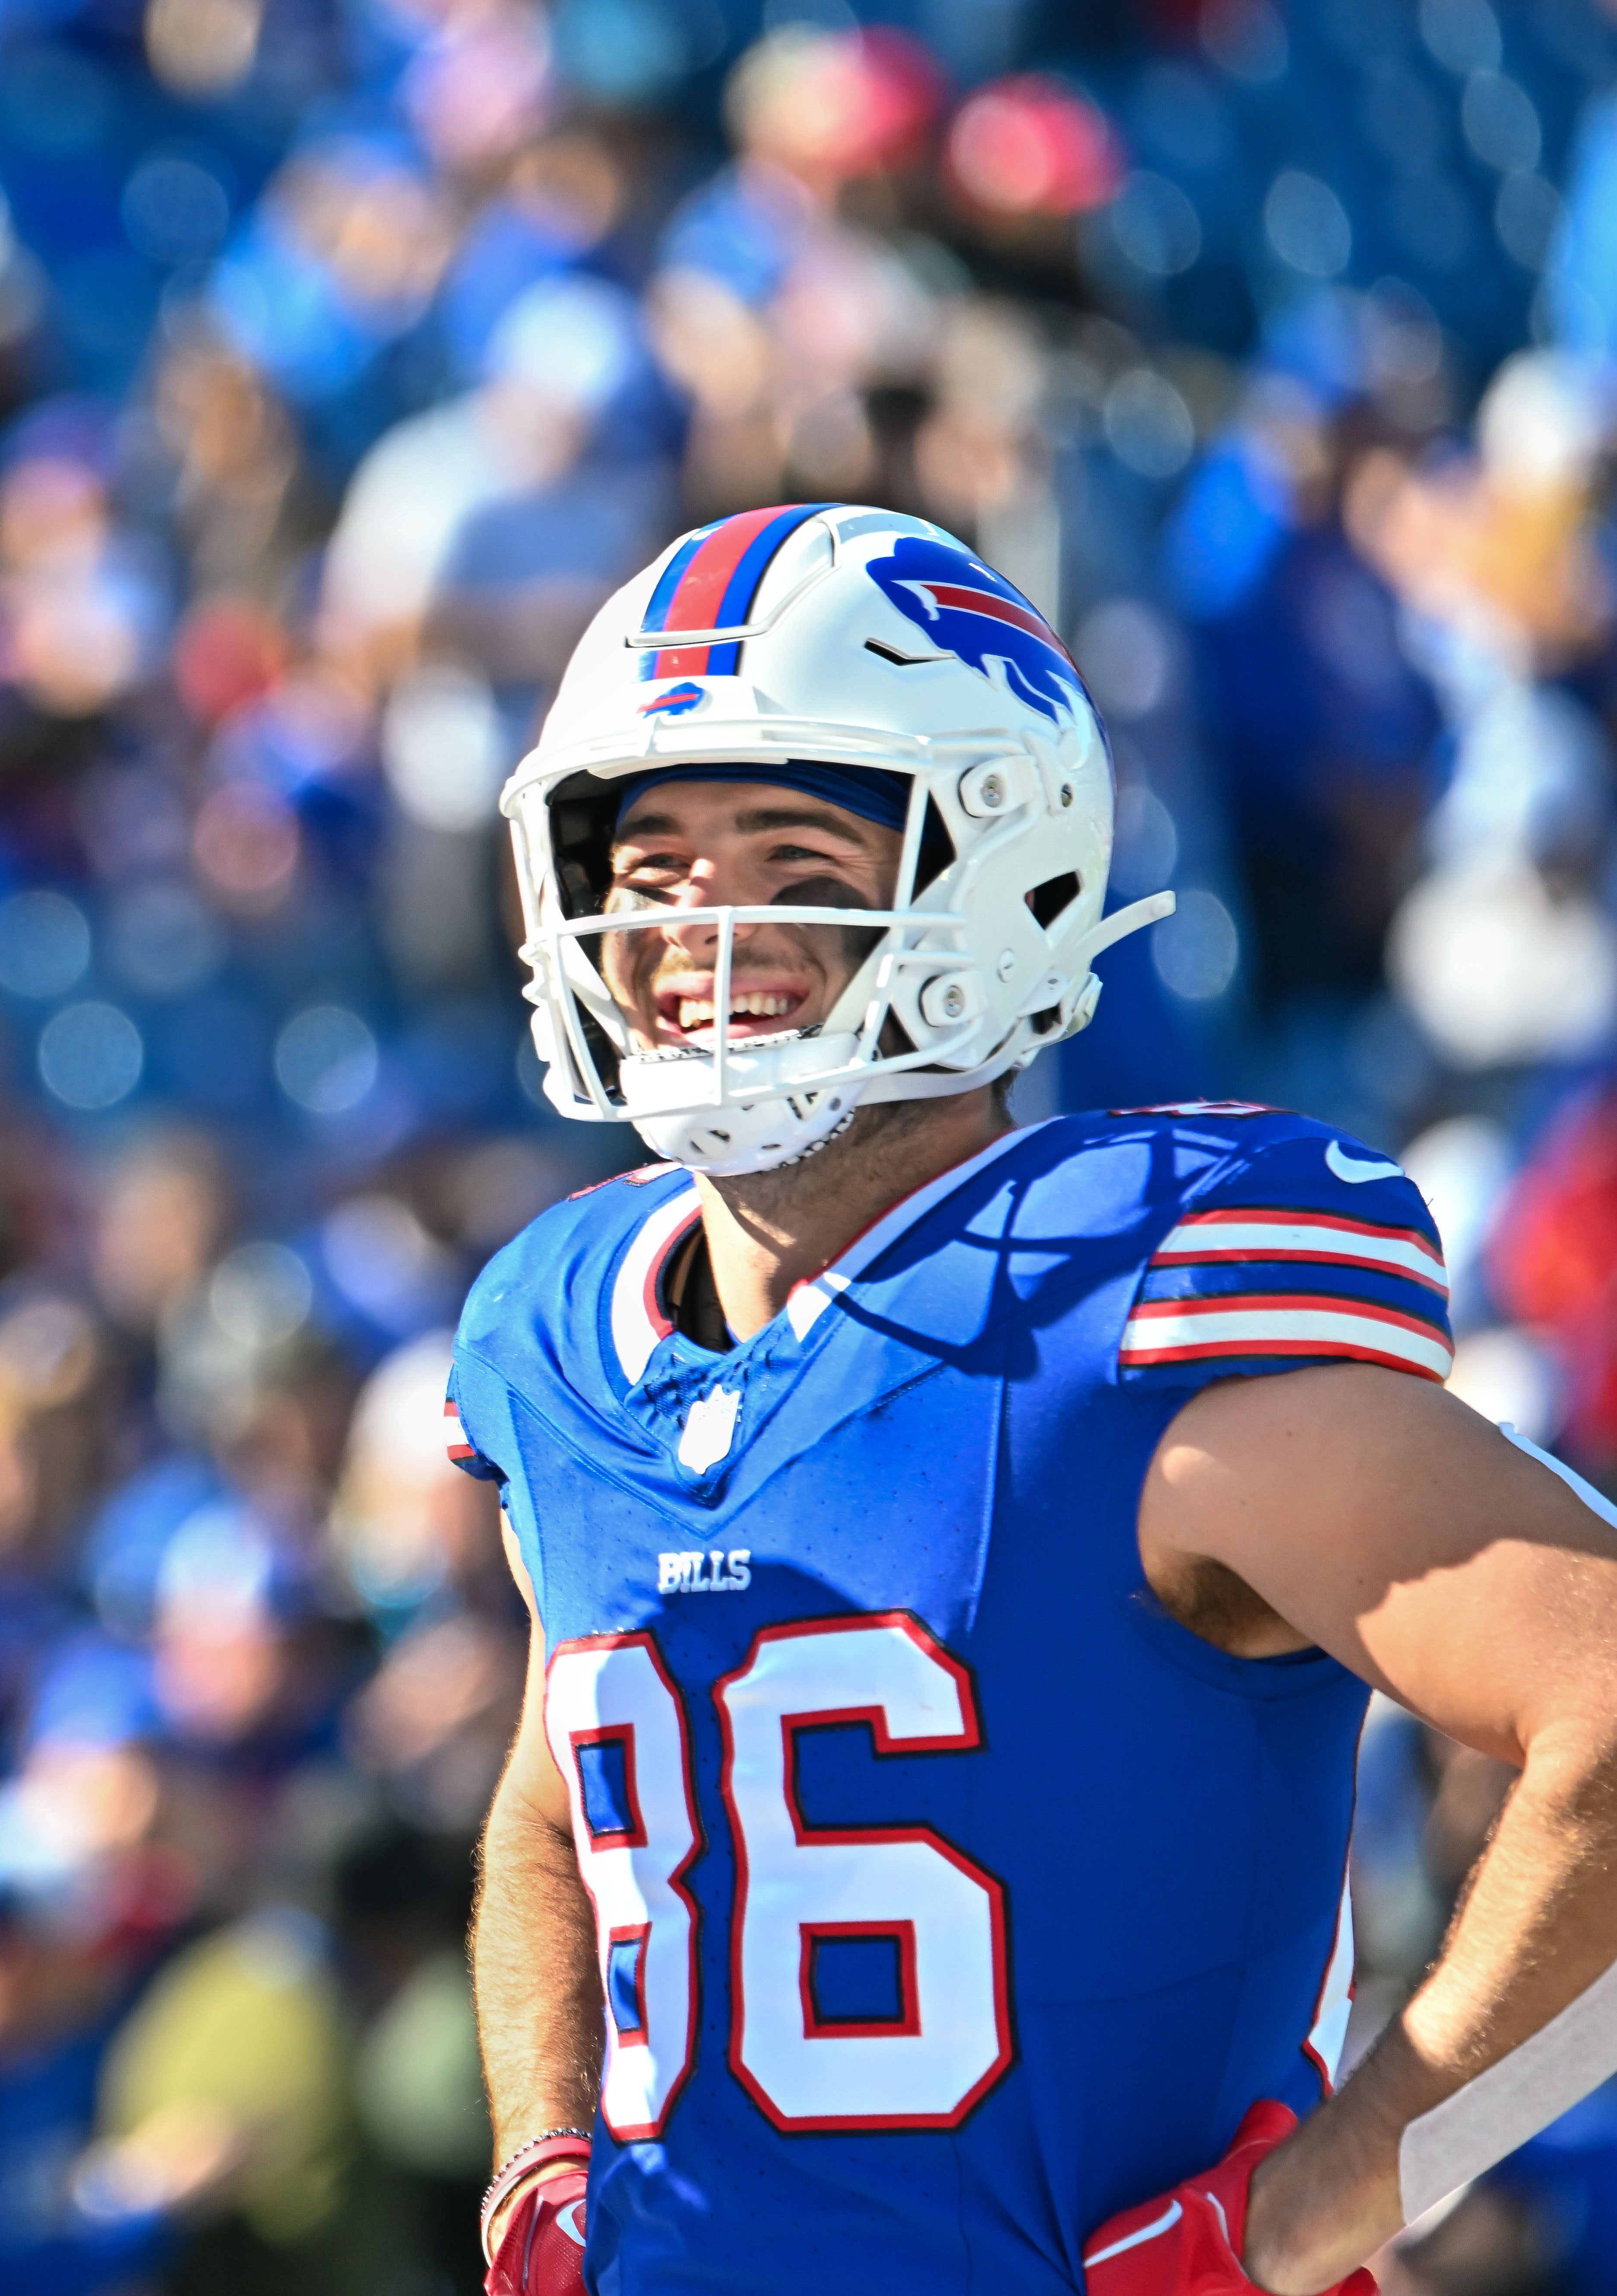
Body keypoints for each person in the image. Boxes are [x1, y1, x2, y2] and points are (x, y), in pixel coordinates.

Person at [451, 504, 1617, 2296]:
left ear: (988, 875)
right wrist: (542, 2149)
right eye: (653, 848)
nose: (699, 912)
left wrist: (1327, 2209)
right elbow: (569, 1801)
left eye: (787, 843)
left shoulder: (1121, 1301)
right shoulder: (565, 1335)